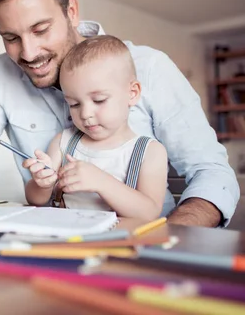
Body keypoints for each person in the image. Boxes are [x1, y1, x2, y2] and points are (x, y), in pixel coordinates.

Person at [0, 0, 240, 227]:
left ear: (71, 11)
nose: (29, 52)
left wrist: (168, 237)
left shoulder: (150, 67)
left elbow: (212, 173)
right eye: (11, 37)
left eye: (40, 29)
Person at [24, 35, 168, 221]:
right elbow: (35, 200)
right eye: (74, 104)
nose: (85, 114)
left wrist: (102, 182)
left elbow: (149, 213)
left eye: (99, 100)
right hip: (68, 242)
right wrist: (41, 185)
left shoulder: (149, 152)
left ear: (132, 94)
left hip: (119, 245)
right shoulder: (63, 142)